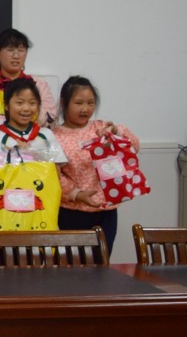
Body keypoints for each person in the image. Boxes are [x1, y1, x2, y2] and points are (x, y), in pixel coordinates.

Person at [51, 76, 139, 256]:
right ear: (64, 103)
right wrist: (77, 194)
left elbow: (134, 147)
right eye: (79, 103)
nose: (85, 109)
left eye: (90, 103)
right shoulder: (54, 136)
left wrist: (117, 132)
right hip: (71, 211)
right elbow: (54, 175)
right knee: (73, 264)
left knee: (102, 262)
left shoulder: (100, 128)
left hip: (105, 211)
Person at [0, 28, 57, 126]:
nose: (16, 56)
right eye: (10, 50)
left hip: (31, 135)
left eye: (21, 50)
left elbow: (51, 119)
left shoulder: (39, 85)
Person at [0, 78, 67, 167]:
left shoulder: (46, 134)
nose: (26, 108)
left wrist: (31, 151)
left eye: (32, 103)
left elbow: (56, 170)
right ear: (6, 105)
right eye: (19, 103)